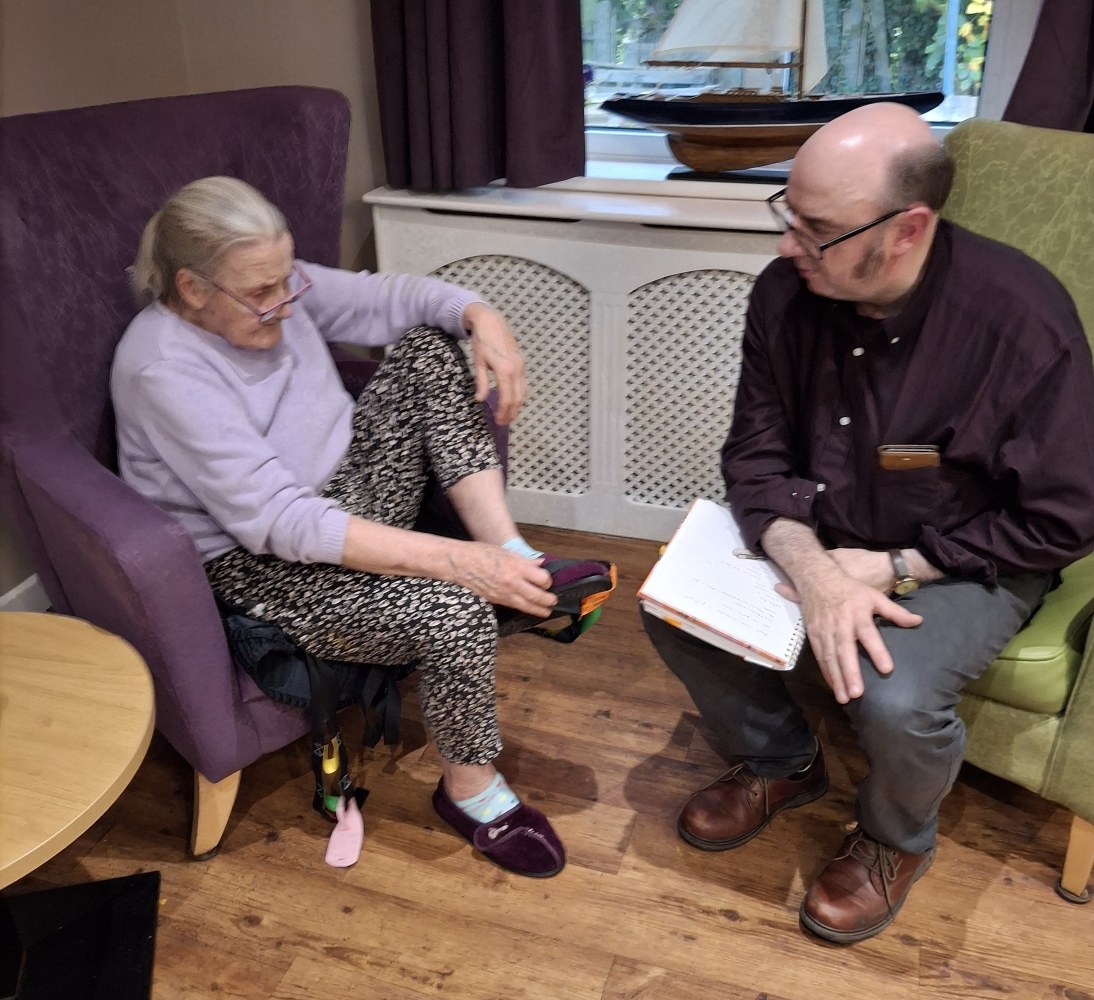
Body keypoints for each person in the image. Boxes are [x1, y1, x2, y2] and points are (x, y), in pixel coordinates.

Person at [642, 103, 1094, 941]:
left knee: (894, 699)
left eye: (814, 230)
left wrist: (894, 567)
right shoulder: (787, 293)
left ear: (908, 229)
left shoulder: (1024, 326)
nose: (787, 248)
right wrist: (817, 575)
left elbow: (1062, 520)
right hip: (817, 533)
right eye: (787, 215)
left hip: (965, 551)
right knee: (672, 610)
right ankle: (783, 761)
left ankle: (896, 839)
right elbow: (754, 458)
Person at [111, 175, 614, 879]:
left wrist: (480, 315)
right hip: (263, 562)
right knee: (454, 607)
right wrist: (455, 564)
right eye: (262, 292)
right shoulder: (163, 370)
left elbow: (391, 299)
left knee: (430, 347)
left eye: (288, 278)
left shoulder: (274, 283)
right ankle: (470, 789)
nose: (286, 301)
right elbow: (281, 520)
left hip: (345, 494)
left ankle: (512, 552)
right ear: (192, 288)